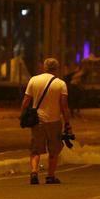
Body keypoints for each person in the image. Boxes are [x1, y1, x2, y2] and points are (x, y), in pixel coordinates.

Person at [21, 57, 71, 185]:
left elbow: (26, 101)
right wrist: (67, 123)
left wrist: (23, 115)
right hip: (54, 121)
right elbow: (64, 106)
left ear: (44, 67)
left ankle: (34, 173)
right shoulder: (61, 84)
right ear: (57, 69)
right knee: (54, 150)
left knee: (35, 150)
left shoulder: (34, 80)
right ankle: (50, 176)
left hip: (37, 121)